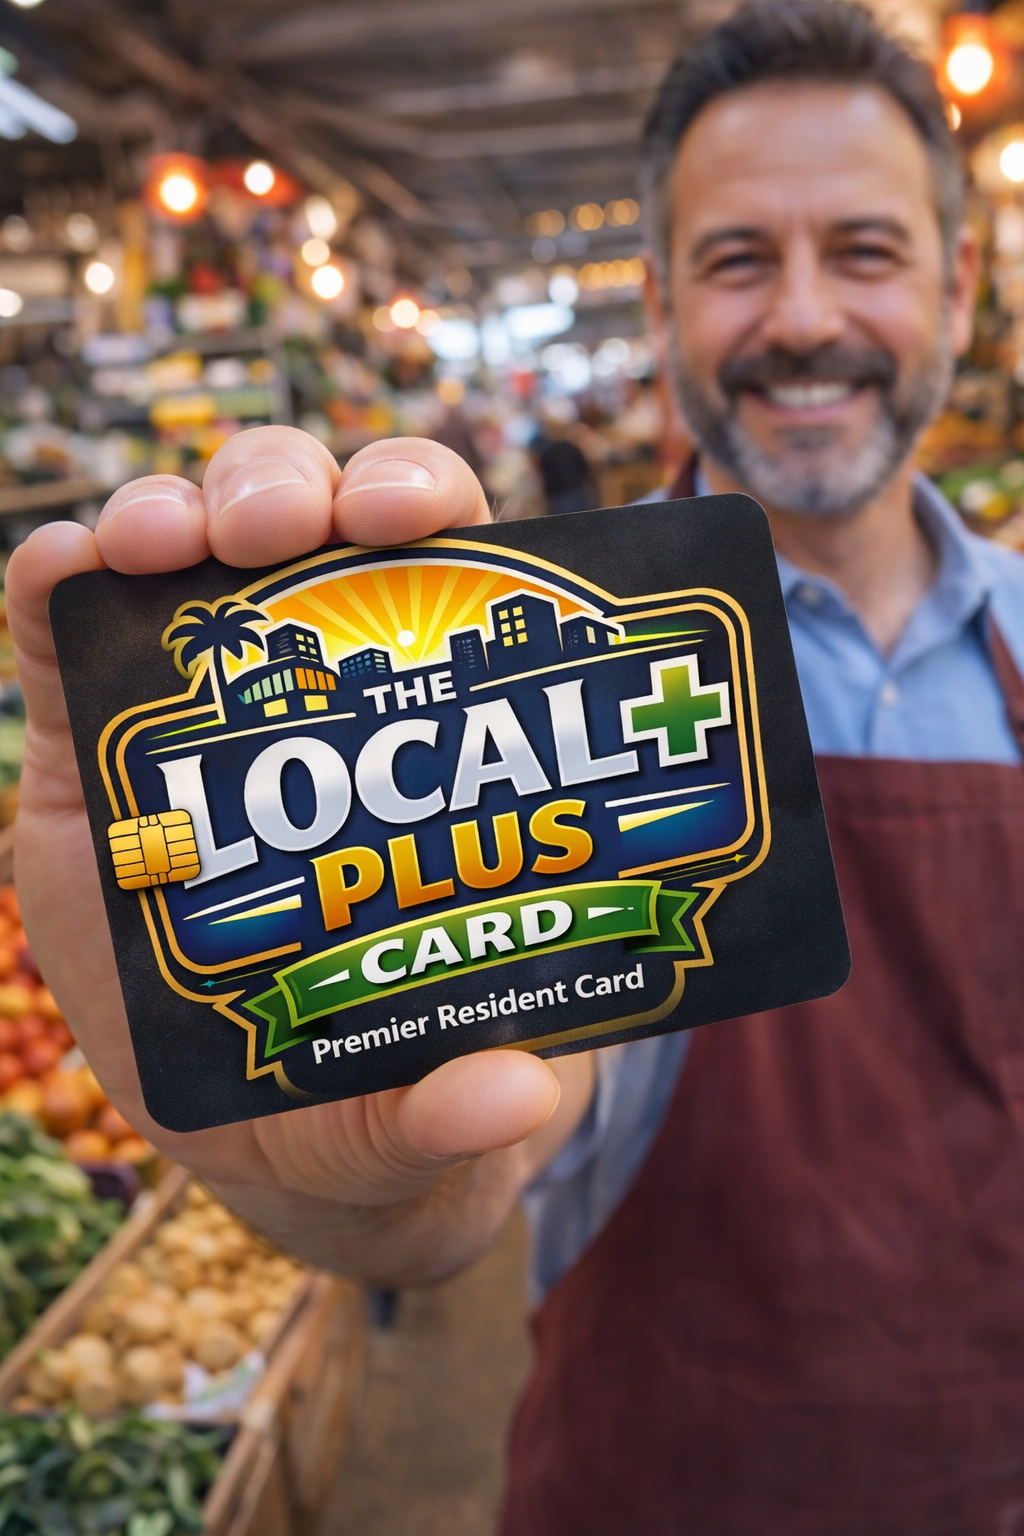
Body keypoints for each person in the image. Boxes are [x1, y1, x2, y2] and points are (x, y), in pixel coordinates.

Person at [8, 1, 1024, 1528]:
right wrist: (353, 1171)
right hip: (660, 1478)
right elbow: (476, 1177)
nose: (805, 314)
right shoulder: (554, 664)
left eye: (865, 251)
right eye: (741, 258)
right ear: (661, 296)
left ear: (958, 284)